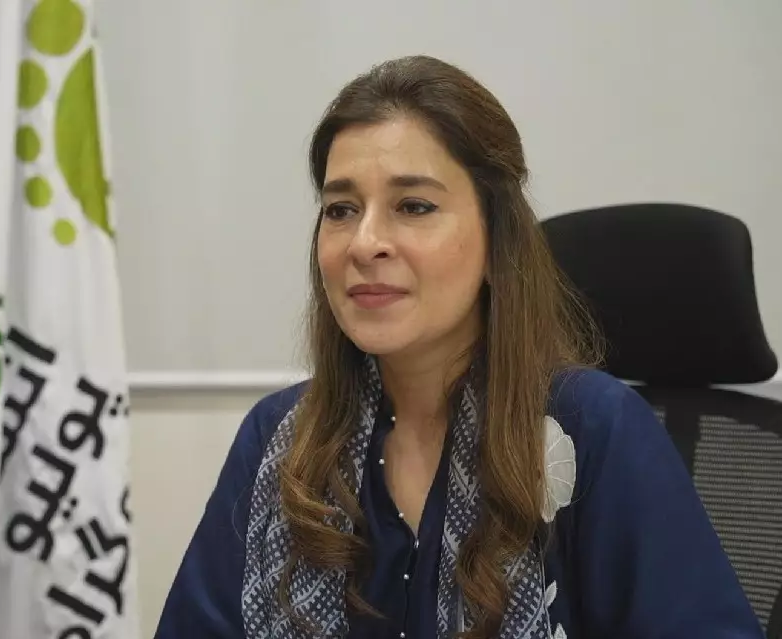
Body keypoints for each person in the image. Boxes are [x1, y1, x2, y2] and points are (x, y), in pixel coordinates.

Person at [153, 55, 764, 639]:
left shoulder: (594, 428)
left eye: (413, 206)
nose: (364, 242)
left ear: (498, 244)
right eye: (341, 209)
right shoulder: (280, 438)